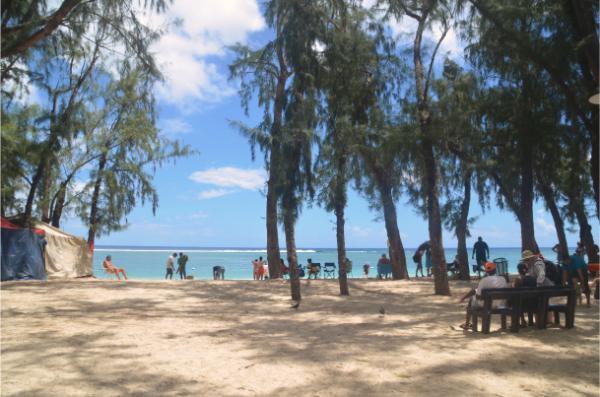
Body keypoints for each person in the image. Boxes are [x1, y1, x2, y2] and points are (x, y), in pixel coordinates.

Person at [458, 262, 508, 330]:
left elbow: (478, 295)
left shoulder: (484, 280)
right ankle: (467, 324)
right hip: (500, 304)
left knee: (472, 299)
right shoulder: (502, 279)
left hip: (487, 305)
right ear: (495, 270)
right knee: (475, 295)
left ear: (486, 271)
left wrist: (466, 297)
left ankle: (467, 324)